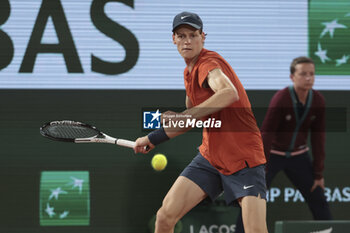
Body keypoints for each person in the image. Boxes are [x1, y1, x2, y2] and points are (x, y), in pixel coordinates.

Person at [134, 12, 268, 233]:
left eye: (193, 35)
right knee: (165, 216)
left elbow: (228, 92)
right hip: (210, 158)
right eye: (182, 35)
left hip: (244, 160)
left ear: (203, 37)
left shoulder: (209, 63)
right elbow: (188, 120)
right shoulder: (188, 74)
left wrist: (186, 115)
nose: (187, 41)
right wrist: (151, 138)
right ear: (173, 39)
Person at [235, 56, 332, 233]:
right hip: (272, 156)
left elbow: (318, 138)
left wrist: (318, 173)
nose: (308, 78)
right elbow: (266, 133)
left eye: (312, 74)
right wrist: (260, 166)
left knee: (318, 197)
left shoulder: (318, 101)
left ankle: (328, 230)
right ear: (292, 77)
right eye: (303, 74)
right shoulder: (281, 98)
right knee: (252, 198)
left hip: (299, 157)